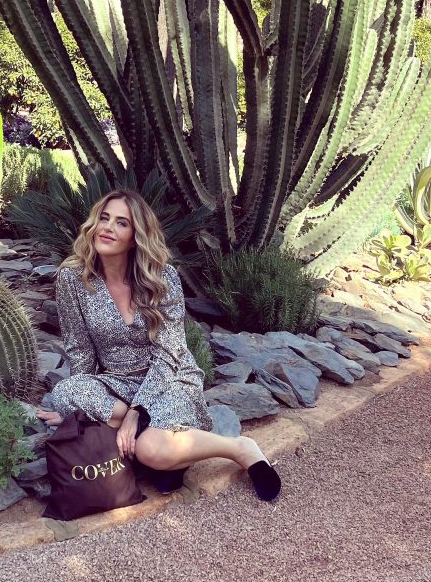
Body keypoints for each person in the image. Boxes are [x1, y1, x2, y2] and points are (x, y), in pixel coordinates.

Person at [35, 189, 282, 502]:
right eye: (104, 218)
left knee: (149, 449)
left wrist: (134, 414)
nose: (108, 228)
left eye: (122, 223)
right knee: (65, 393)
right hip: (116, 381)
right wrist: (80, 411)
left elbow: (169, 352)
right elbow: (79, 349)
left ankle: (238, 448)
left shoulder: (162, 277)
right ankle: (169, 456)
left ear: (136, 236)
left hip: (169, 377)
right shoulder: (73, 278)